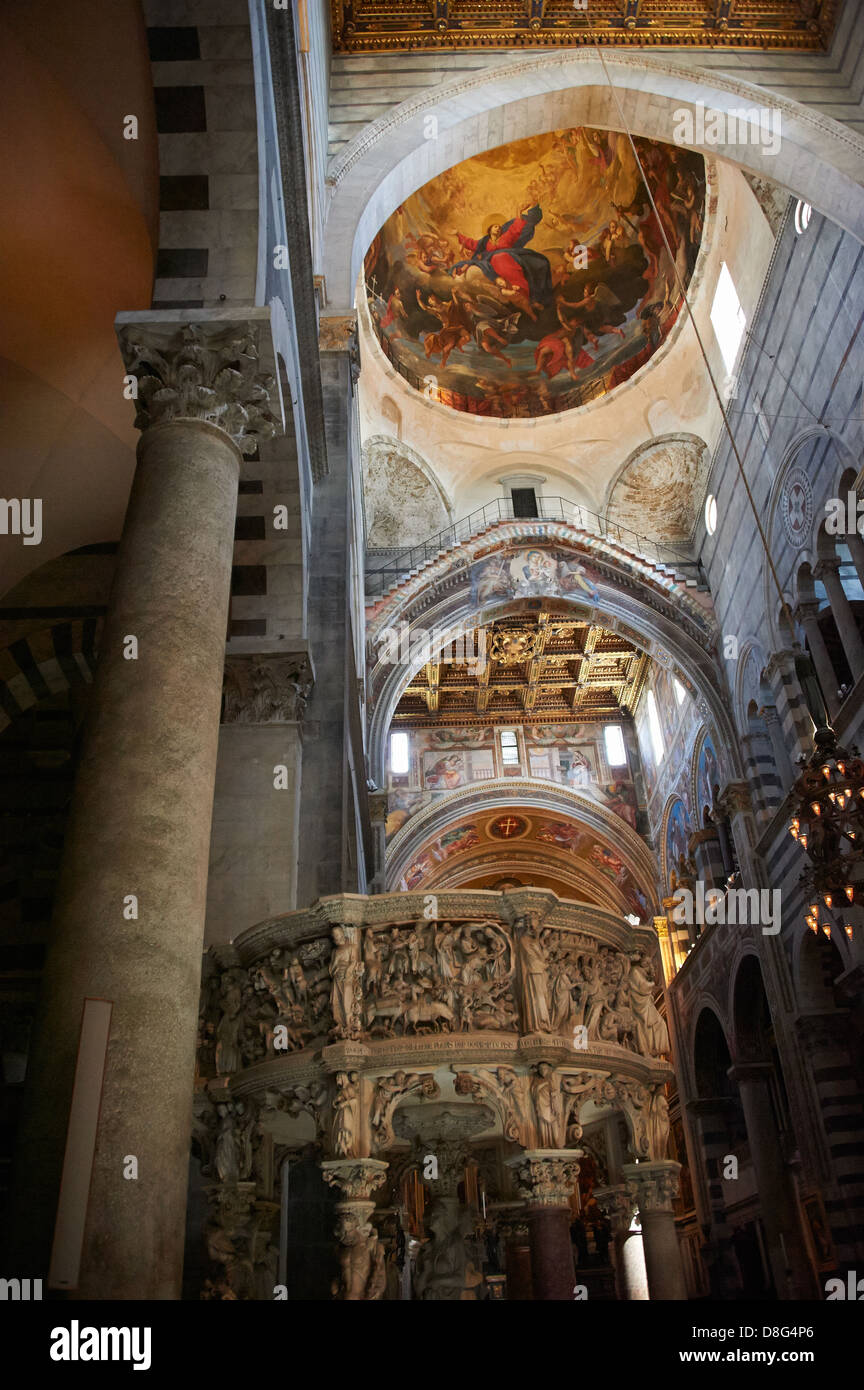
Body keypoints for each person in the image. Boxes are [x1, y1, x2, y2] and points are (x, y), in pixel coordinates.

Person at [450, 203, 552, 319]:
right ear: (489, 229)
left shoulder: (506, 236)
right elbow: (472, 243)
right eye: (495, 226)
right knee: (497, 260)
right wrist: (458, 234)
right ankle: (521, 298)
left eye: (499, 226)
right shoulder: (485, 241)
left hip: (507, 258)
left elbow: (515, 228)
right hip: (493, 261)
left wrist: (518, 211)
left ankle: (530, 298)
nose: (498, 228)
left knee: (509, 264)